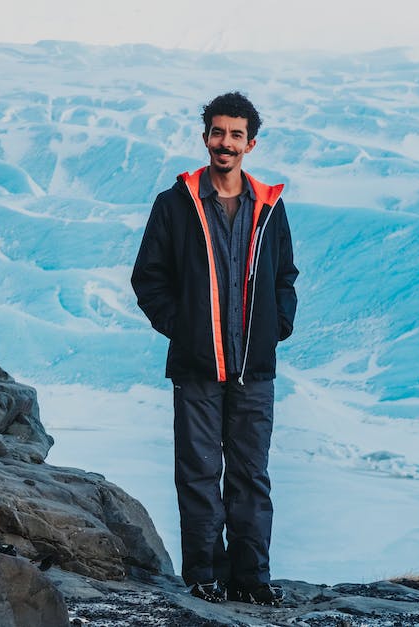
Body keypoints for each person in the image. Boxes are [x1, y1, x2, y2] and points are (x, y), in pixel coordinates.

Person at [131, 92, 298, 606]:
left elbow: (285, 278)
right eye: (217, 132)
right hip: (198, 367)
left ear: (251, 143)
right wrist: (184, 331)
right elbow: (148, 279)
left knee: (251, 476)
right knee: (200, 475)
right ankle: (204, 577)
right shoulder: (175, 204)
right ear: (206, 137)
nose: (225, 143)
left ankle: (252, 580)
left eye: (235, 134)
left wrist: (277, 328)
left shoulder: (269, 206)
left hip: (255, 368)